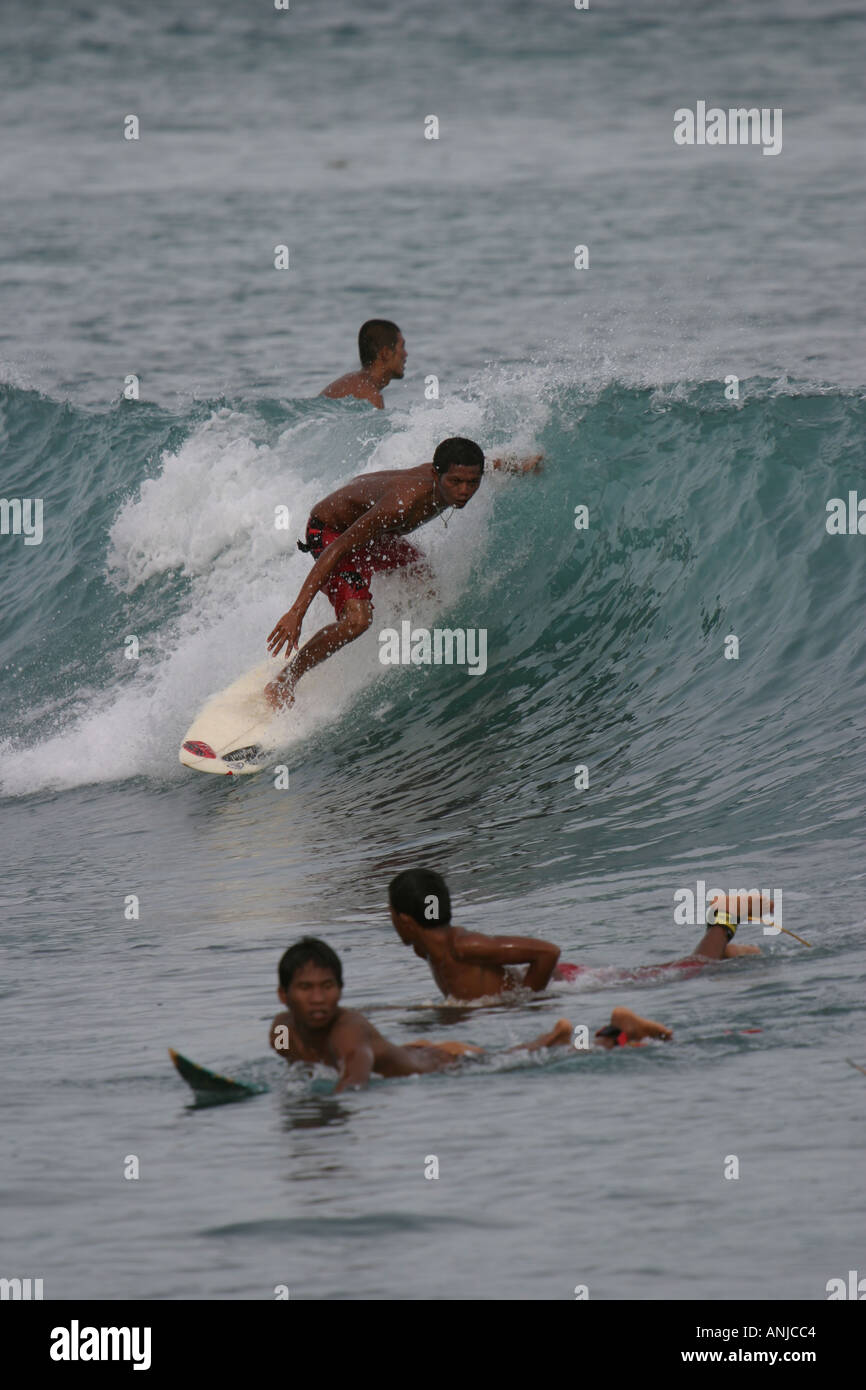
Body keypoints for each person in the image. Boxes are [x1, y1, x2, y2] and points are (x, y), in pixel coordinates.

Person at [266, 437, 509, 707]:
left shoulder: (456, 474)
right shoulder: (401, 506)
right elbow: (337, 549)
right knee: (358, 621)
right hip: (331, 532)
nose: (464, 491)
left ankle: (405, 644)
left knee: (425, 582)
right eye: (455, 482)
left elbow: (490, 466)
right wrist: (296, 612)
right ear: (435, 474)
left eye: (472, 483)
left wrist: (522, 465)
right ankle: (283, 681)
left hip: (372, 529)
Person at [387, 869, 765, 1002]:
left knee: (686, 971)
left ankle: (723, 920)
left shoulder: (463, 946)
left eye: (391, 915)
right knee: (680, 969)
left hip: (568, 981)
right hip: (557, 981)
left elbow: (547, 952)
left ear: (405, 920)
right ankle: (726, 951)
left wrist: (527, 999)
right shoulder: (430, 949)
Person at [268, 937, 581, 1093]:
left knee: (507, 1059)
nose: (318, 998)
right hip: (415, 1050)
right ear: (284, 995)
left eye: (327, 986)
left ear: (341, 988)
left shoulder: (348, 1031)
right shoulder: (281, 1034)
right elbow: (301, 1063)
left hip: (440, 1065)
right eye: (305, 988)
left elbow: (354, 1086)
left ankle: (593, 1038)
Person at [320, 320, 407, 410]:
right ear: (386, 353)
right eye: (402, 347)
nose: (406, 354)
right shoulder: (370, 396)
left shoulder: (352, 381)